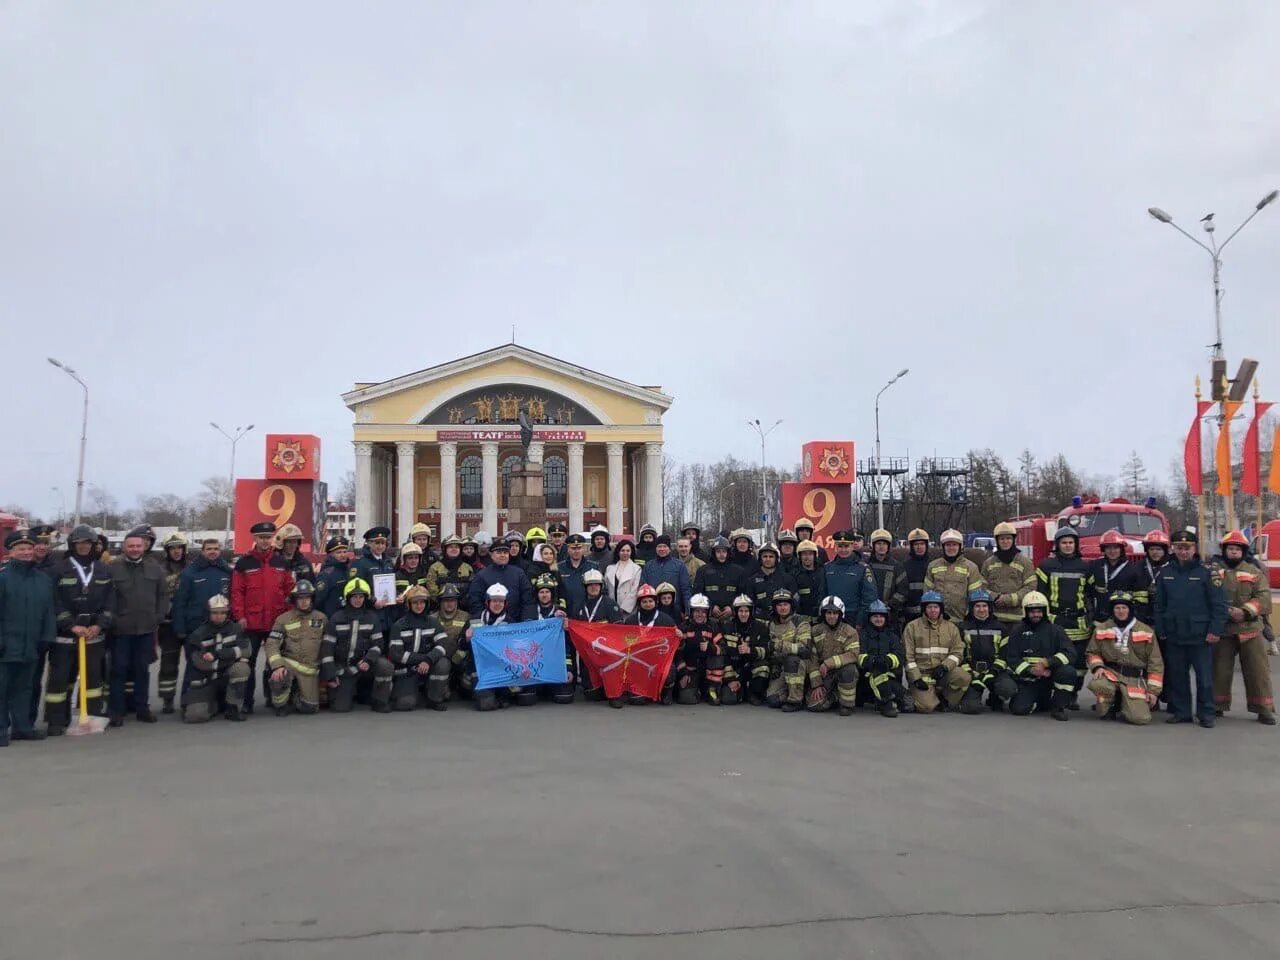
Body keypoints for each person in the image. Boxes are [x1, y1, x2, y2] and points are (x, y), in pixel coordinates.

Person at [46, 524, 115, 735]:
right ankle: (57, 720)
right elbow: (54, 602)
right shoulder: (59, 569)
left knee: (94, 680)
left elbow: (111, 602)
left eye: (88, 543)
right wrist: (70, 625)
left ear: (95, 545)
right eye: (79, 543)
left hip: (94, 636)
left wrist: (99, 624)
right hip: (65, 637)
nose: (84, 546)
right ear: (72, 544)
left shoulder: (103, 570)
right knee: (60, 680)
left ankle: (92, 716)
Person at [1210, 530, 1274, 724]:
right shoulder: (1214, 572)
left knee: (1258, 671)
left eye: (1237, 549)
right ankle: (1216, 706)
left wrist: (1244, 611)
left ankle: (1264, 709)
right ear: (1224, 550)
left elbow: (1264, 597)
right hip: (1223, 630)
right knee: (1219, 670)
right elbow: (1206, 596)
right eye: (1230, 548)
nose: (1234, 552)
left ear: (1243, 551)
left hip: (1250, 628)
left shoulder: (1254, 572)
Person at [231, 521, 295, 714]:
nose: (265, 541)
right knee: (248, 664)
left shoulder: (281, 562)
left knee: (275, 662)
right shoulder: (244, 563)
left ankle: (275, 700)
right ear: (255, 539)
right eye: (261, 537)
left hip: (276, 622)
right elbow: (236, 592)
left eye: (268, 537)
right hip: (251, 623)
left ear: (273, 538)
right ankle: (247, 703)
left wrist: (288, 614)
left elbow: (289, 590)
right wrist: (239, 616)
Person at [107, 530, 168, 727]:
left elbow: (163, 596)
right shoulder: (113, 568)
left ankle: (142, 708)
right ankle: (116, 711)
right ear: (124, 547)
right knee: (118, 670)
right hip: (120, 630)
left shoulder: (155, 568)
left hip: (146, 629)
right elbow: (107, 597)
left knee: (142, 670)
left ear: (144, 547)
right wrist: (112, 620)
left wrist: (158, 616)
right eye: (131, 546)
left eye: (138, 546)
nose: (135, 549)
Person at [0, 530, 53, 744]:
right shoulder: (3, 578)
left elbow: (48, 611)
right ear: (11, 552)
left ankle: (23, 728)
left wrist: (46, 637)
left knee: (25, 688)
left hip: (32, 645)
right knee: (2, 689)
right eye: (20, 549)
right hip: (6, 646)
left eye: (29, 548)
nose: (26, 552)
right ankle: (1, 730)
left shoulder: (42, 579)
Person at [1036, 525, 1094, 708]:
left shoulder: (1085, 567)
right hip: (1055, 619)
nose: (1068, 546)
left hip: (1078, 622)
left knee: (1078, 662)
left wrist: (1090, 617)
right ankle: (1051, 692)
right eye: (1064, 542)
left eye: (1071, 542)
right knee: (1052, 657)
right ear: (1057, 545)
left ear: (1076, 545)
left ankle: (1072, 694)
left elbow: (1091, 595)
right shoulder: (1046, 565)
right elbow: (1040, 594)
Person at [1085, 591, 1164, 725]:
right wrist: (1097, 666)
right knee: (1098, 684)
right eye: (1117, 608)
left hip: (1134, 678)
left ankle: (1124, 701)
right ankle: (1111, 703)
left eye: (1124, 608)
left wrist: (1153, 692)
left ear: (1130, 609)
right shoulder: (1102, 628)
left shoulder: (1146, 631)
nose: (1120, 611)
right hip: (1111, 674)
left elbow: (1155, 662)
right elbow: (1092, 652)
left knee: (1140, 719)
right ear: (1112, 610)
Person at [998, 591, 1075, 721]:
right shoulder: (1017, 631)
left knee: (1068, 672)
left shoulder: (1056, 630)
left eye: (1039, 611)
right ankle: (1043, 701)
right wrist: (1031, 670)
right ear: (1025, 612)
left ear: (1045, 611)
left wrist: (1048, 663)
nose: (1036, 614)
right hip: (1028, 680)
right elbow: (1012, 658)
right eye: (1032, 611)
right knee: (1019, 709)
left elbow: (1070, 653)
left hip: (1050, 675)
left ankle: (1059, 707)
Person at [320, 578, 392, 713]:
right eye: (354, 596)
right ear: (348, 597)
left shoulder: (372, 617)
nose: (358, 600)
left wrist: (369, 659)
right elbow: (327, 649)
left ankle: (380, 701)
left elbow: (378, 644)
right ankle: (351, 691)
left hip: (365, 665)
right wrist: (330, 675)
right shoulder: (336, 618)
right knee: (340, 708)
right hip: (344, 668)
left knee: (385, 666)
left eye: (361, 596)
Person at [180, 595, 251, 723]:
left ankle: (232, 708)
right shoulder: (198, 634)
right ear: (208, 613)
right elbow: (200, 663)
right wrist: (234, 657)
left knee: (241, 668)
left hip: (226, 677)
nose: (219, 616)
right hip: (205, 680)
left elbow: (247, 650)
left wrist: (217, 655)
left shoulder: (236, 629)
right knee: (195, 717)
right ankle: (214, 704)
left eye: (223, 612)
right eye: (215, 612)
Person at [265, 580, 327, 716]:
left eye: (307, 597)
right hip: (289, 665)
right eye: (300, 598)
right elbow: (271, 643)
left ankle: (295, 695)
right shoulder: (283, 619)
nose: (304, 601)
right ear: (294, 600)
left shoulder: (321, 618)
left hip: (310, 670)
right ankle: (280, 704)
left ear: (312, 598)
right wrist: (277, 665)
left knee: (310, 708)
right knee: (280, 675)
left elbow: (328, 646)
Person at [387, 585, 451, 711]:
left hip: (428, 667)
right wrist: (423, 660)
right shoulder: (399, 625)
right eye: (415, 602)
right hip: (407, 671)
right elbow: (396, 654)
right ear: (408, 604)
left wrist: (428, 660)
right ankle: (400, 692)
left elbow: (444, 644)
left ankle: (434, 699)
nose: (419, 606)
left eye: (422, 602)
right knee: (405, 704)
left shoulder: (432, 622)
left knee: (443, 663)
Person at [902, 590, 966, 714]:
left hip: (943, 672)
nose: (933, 610)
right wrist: (916, 678)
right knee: (926, 707)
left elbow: (958, 652)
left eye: (936, 607)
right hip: (922, 675)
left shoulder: (951, 628)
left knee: (963, 677)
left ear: (941, 608)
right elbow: (907, 657)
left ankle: (945, 698)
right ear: (924, 609)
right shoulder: (912, 627)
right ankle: (918, 694)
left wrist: (945, 667)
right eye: (929, 607)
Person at [171, 538, 232, 651]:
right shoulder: (189, 573)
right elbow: (179, 602)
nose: (212, 551)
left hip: (221, 627)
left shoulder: (227, 572)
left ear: (220, 551)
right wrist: (180, 628)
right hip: (196, 627)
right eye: (209, 549)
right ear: (202, 551)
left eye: (216, 549)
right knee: (196, 664)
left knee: (222, 663)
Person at [805, 596, 861, 716]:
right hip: (824, 674)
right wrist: (817, 684)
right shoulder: (815, 631)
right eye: (828, 613)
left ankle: (846, 705)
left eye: (835, 613)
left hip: (842, 671)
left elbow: (853, 654)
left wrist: (828, 663)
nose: (831, 616)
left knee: (849, 669)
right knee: (814, 705)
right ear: (823, 614)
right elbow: (812, 659)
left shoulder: (850, 631)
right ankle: (835, 696)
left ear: (841, 614)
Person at [467, 583, 517, 711]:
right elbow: (461, 645)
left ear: (505, 604)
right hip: (479, 669)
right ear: (487, 602)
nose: (497, 604)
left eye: (501, 601)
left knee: (520, 695)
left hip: (502, 668)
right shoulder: (475, 620)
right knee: (486, 705)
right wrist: (466, 638)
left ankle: (503, 694)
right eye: (494, 601)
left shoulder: (511, 623)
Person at [154, 532, 189, 714]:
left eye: (179, 548)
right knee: (168, 663)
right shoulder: (159, 571)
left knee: (195, 662)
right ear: (167, 550)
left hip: (189, 623)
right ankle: (167, 699)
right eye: (172, 548)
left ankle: (191, 697)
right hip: (168, 624)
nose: (176, 551)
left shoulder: (191, 568)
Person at [958, 588, 1009, 714]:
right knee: (971, 708)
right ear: (971, 608)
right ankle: (970, 696)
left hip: (993, 670)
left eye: (985, 606)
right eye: (977, 606)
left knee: (1008, 688)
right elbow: (960, 655)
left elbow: (1005, 655)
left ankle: (995, 697)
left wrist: (993, 672)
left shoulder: (1001, 628)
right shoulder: (962, 628)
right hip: (972, 671)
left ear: (990, 607)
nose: (981, 609)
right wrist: (971, 674)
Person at [856, 600, 907, 717]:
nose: (878, 619)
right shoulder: (863, 635)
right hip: (867, 678)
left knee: (908, 703)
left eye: (881, 616)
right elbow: (858, 655)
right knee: (877, 673)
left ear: (885, 618)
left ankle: (888, 699)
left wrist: (887, 661)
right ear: (870, 618)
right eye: (875, 616)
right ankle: (886, 704)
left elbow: (899, 656)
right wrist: (872, 661)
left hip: (889, 676)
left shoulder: (892, 636)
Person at [981, 522, 1037, 627]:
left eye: (1008, 538)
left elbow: (1031, 588)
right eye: (1002, 539)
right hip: (993, 618)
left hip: (1018, 619)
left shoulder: (1025, 562)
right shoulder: (988, 563)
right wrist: (995, 597)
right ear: (997, 541)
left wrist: (1009, 599)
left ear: (1013, 540)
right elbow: (981, 586)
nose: (1005, 541)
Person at [923, 529, 983, 625]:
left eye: (954, 545)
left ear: (960, 546)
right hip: (937, 620)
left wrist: (969, 617)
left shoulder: (971, 567)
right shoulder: (933, 566)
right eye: (948, 545)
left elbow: (975, 596)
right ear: (943, 547)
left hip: (961, 620)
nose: (951, 548)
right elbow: (927, 593)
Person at [765, 589, 811, 712]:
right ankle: (798, 691)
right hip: (781, 668)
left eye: (785, 604)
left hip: (800, 665)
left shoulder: (800, 621)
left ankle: (795, 700)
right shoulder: (771, 623)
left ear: (791, 605)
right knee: (772, 700)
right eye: (779, 605)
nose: (782, 608)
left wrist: (780, 645)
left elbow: (805, 650)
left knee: (792, 660)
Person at [466, 538, 533, 619]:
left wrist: (526, 620)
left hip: (516, 624)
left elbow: (528, 599)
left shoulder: (519, 573)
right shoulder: (482, 575)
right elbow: (475, 601)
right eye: (499, 552)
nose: (502, 555)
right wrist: (484, 620)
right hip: (490, 625)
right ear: (492, 555)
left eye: (505, 552)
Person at [823, 530, 877, 627]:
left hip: (854, 618)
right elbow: (822, 593)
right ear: (835, 547)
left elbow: (869, 598)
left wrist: (860, 621)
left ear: (852, 546)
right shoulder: (827, 567)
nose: (843, 550)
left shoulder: (863, 568)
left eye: (846, 546)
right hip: (832, 618)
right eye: (840, 546)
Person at [673, 594, 717, 704]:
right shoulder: (683, 627)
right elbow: (677, 653)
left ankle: (711, 689)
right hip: (690, 671)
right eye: (697, 611)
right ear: (692, 612)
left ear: (707, 612)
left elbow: (723, 649)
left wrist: (710, 647)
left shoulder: (713, 626)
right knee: (686, 699)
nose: (700, 614)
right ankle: (695, 690)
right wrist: (683, 673)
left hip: (709, 672)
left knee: (726, 698)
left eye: (703, 611)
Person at [1089, 530, 1141, 623]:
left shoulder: (1132, 569)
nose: (1112, 551)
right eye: (1108, 548)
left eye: (1116, 548)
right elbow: (1088, 590)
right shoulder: (1095, 566)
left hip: (1123, 616)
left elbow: (1138, 595)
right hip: (1100, 616)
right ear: (1103, 550)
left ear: (1121, 549)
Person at [693, 536, 745, 627]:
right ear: (713, 553)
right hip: (708, 618)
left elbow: (743, 594)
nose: (721, 554)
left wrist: (732, 608)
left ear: (728, 552)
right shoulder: (703, 571)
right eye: (718, 551)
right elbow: (697, 594)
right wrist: (711, 607)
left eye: (724, 551)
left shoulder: (738, 571)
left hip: (732, 619)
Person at [725, 594, 768, 705]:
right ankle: (741, 690)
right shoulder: (728, 627)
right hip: (735, 669)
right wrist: (731, 679)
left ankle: (754, 693)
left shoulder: (760, 627)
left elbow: (767, 650)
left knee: (763, 667)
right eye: (740, 611)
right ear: (735, 612)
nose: (743, 614)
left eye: (746, 611)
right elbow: (724, 655)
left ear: (751, 612)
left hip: (752, 667)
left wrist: (750, 651)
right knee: (729, 699)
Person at [432, 583, 473, 701]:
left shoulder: (466, 617)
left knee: (468, 692)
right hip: (441, 660)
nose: (449, 603)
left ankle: (461, 684)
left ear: (457, 601)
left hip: (461, 660)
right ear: (440, 602)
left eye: (453, 600)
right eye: (446, 600)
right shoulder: (432, 619)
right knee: (444, 695)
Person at [353, 526, 396, 625]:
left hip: (388, 615)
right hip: (370, 613)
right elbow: (355, 588)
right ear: (369, 543)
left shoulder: (388, 562)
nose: (380, 546)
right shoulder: (360, 563)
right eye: (376, 543)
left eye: (383, 543)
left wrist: (396, 596)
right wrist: (372, 601)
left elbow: (392, 584)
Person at [639, 535, 691, 611]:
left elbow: (686, 589)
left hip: (674, 609)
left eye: (665, 546)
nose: (662, 549)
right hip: (653, 609)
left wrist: (687, 609)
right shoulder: (649, 566)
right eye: (659, 546)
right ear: (656, 548)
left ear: (669, 549)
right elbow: (643, 586)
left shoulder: (679, 565)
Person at [1132, 529, 1171, 628]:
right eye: (1151, 549)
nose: (1155, 552)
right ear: (1147, 550)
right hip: (1142, 618)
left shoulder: (1172, 568)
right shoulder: (1137, 567)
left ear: (1165, 550)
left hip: (1166, 618)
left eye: (1158, 549)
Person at [746, 542, 797, 618]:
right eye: (765, 556)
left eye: (771, 556)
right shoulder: (752, 581)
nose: (768, 559)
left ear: (777, 558)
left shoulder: (788, 579)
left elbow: (794, 602)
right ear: (760, 558)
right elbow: (749, 604)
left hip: (782, 622)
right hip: (760, 621)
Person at [865, 529, 906, 622]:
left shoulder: (897, 566)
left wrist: (888, 605)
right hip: (869, 613)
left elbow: (903, 591)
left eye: (884, 544)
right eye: (879, 543)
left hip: (890, 614)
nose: (881, 546)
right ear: (873, 545)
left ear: (888, 546)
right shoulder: (865, 565)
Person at [895, 528, 933, 624]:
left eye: (922, 544)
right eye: (916, 544)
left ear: (926, 545)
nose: (919, 547)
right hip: (909, 616)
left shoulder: (933, 565)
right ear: (911, 546)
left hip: (931, 614)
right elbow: (901, 590)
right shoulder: (904, 566)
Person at [556, 533, 597, 619]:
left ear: (584, 549)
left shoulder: (593, 567)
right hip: (567, 615)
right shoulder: (559, 568)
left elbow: (601, 591)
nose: (576, 551)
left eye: (579, 548)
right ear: (568, 549)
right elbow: (556, 592)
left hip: (589, 614)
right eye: (573, 548)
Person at [425, 535, 475, 607]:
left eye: (457, 547)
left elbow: (472, 588)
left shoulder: (467, 568)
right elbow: (432, 588)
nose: (454, 549)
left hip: (464, 606)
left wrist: (463, 601)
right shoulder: (435, 567)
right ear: (445, 549)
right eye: (451, 547)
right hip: (441, 607)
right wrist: (442, 601)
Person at [314, 536, 357, 618]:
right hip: (332, 618)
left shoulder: (349, 570)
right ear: (330, 554)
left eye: (345, 552)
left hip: (348, 616)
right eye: (338, 552)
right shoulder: (326, 574)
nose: (343, 555)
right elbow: (318, 600)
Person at [390, 542, 431, 621]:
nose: (413, 561)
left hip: (421, 615)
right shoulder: (397, 576)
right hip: (401, 616)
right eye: (410, 558)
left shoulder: (424, 575)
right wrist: (397, 597)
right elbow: (392, 594)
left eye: (416, 558)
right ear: (403, 559)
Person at [792, 540, 828, 621]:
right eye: (804, 554)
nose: (807, 557)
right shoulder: (794, 574)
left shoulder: (823, 572)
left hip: (822, 616)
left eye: (810, 554)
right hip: (802, 617)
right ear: (799, 556)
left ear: (815, 555)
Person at [605, 539, 643, 615]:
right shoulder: (609, 568)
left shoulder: (637, 569)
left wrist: (624, 608)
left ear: (631, 552)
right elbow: (605, 589)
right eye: (622, 550)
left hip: (628, 611)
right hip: (611, 608)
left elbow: (635, 591)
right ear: (618, 552)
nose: (625, 553)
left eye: (628, 551)